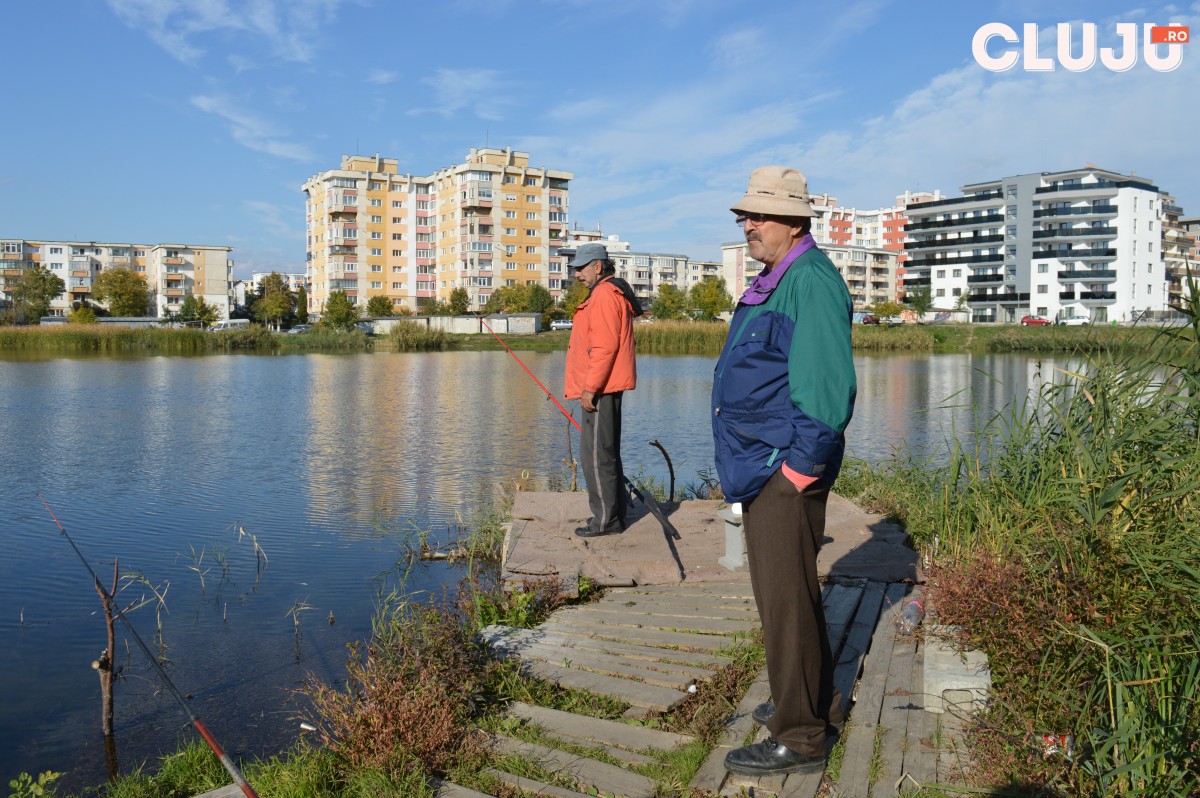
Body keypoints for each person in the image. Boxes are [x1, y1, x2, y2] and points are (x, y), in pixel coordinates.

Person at [712, 166, 857, 776]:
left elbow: (827, 387)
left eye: (759, 215)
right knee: (788, 592)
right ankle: (814, 701)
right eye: (745, 215)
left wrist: (800, 469)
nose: (748, 224)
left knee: (786, 600)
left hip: (783, 466)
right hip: (763, 462)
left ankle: (799, 736)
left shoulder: (810, 281)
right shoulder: (778, 277)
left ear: (794, 222)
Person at [564, 242, 643, 537]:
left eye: (580, 268)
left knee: (595, 457)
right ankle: (613, 515)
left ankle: (605, 521)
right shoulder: (608, 292)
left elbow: (604, 348)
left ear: (597, 266)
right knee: (604, 453)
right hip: (605, 387)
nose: (576, 274)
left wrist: (590, 388)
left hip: (601, 390)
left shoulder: (604, 295)